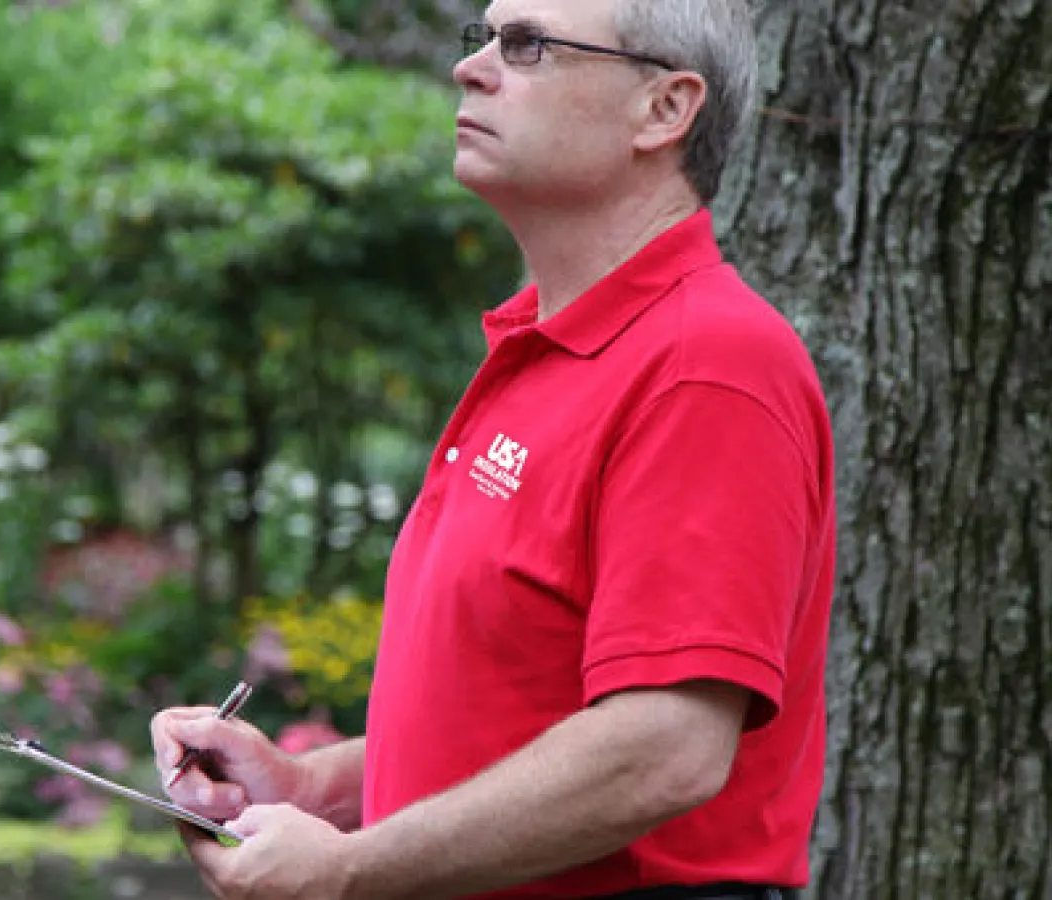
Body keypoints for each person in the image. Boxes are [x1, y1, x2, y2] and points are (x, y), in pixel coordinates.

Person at [150, 0, 835, 897]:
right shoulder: (549, 348)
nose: (469, 69)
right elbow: (515, 718)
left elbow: (665, 747)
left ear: (665, 109)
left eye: (527, 45)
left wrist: (352, 871)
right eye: (483, 39)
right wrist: (320, 790)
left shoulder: (706, 363)